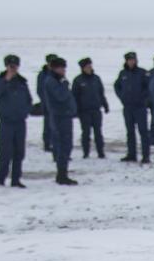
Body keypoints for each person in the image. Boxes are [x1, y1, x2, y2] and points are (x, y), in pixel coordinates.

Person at [0, 54, 31, 188]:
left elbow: (28, 99)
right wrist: (6, 80)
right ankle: (0, 179)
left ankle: (16, 179)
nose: (13, 68)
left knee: (19, 152)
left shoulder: (22, 82)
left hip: (20, 122)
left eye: (15, 66)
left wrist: (25, 111)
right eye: (10, 66)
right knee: (5, 152)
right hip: (6, 122)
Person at [41, 57, 78, 186]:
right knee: (62, 145)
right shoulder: (52, 81)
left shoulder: (58, 80)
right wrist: (64, 84)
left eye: (64, 68)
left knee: (66, 145)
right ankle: (61, 174)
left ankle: (63, 173)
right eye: (61, 68)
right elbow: (61, 96)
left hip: (65, 116)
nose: (63, 70)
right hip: (59, 117)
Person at [114, 51, 151, 164]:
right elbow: (117, 86)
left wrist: (143, 99)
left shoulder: (142, 73)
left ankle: (146, 156)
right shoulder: (123, 73)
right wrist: (122, 97)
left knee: (143, 132)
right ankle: (131, 154)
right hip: (128, 107)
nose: (131, 62)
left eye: (133, 60)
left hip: (140, 107)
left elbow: (148, 87)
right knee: (130, 132)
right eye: (129, 60)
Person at [71, 57, 110, 159]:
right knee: (86, 133)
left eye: (90, 66)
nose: (89, 68)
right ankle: (86, 152)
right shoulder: (78, 80)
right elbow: (74, 96)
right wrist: (75, 110)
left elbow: (101, 93)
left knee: (98, 132)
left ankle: (100, 152)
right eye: (87, 67)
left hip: (96, 110)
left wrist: (105, 105)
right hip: (84, 111)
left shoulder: (96, 79)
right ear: (82, 68)